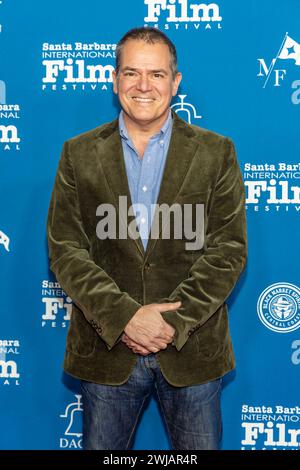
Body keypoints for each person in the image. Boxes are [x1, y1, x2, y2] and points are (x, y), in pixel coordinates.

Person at [47, 26, 247, 450]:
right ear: (115, 79)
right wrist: (126, 317)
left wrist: (169, 322)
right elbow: (66, 250)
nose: (143, 86)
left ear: (175, 82)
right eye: (131, 73)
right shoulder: (77, 153)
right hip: (106, 351)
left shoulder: (217, 152)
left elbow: (228, 250)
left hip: (192, 351)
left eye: (156, 75)